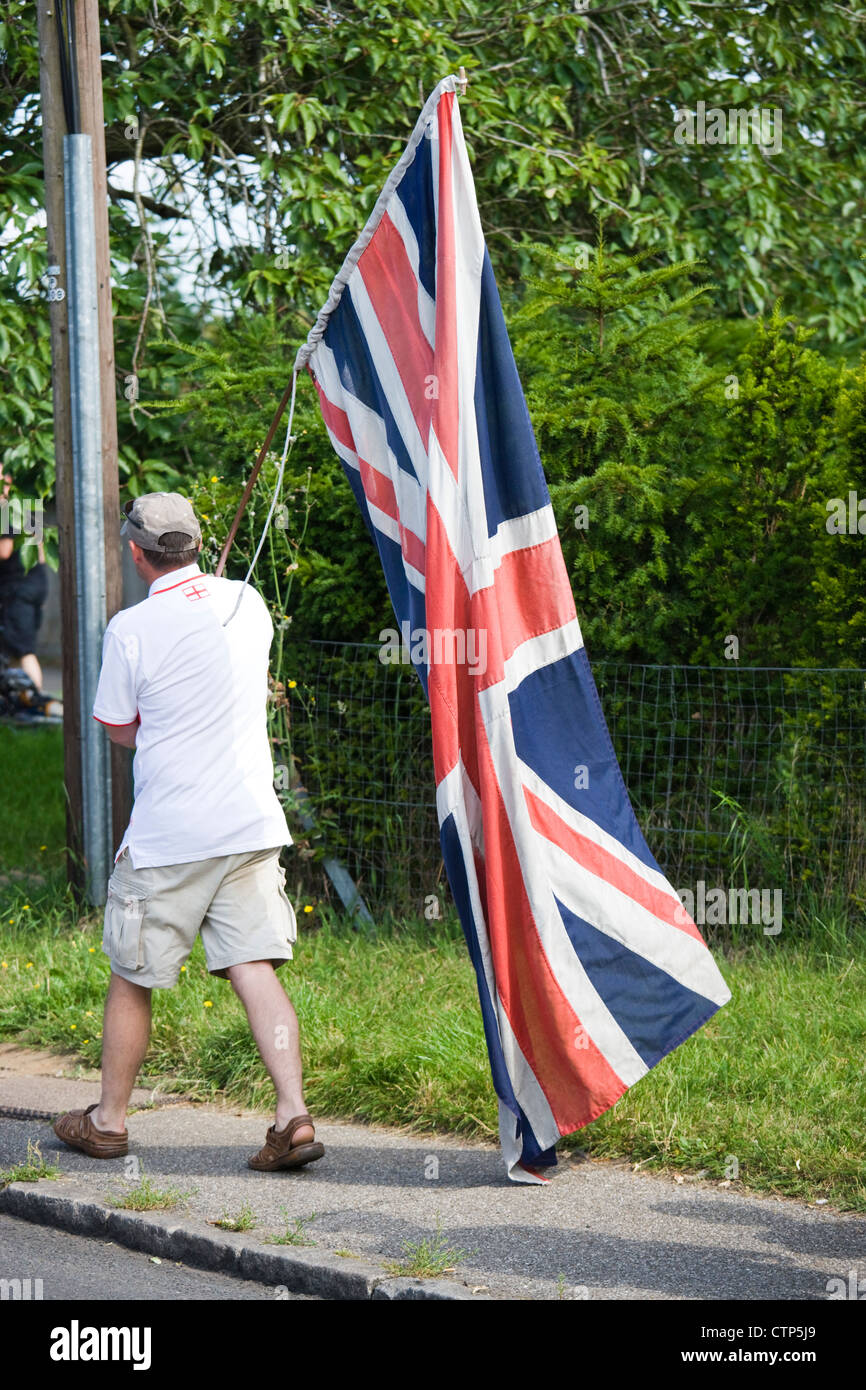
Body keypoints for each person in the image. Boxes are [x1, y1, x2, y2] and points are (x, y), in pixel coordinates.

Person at [53, 492, 323, 1171]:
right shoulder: (248, 604)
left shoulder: (131, 628)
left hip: (171, 836)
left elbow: (119, 728)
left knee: (131, 974)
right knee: (252, 965)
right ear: (196, 544)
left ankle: (109, 1122)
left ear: (137, 553)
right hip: (251, 822)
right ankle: (293, 1114)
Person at [0, 470, 49, 690]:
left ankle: (36, 701)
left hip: (17, 588)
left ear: (8, 480)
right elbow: (41, 553)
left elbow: (4, 550)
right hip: (36, 583)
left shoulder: (4, 508)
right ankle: (19, 702)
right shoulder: (29, 505)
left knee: (24, 651)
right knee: (14, 648)